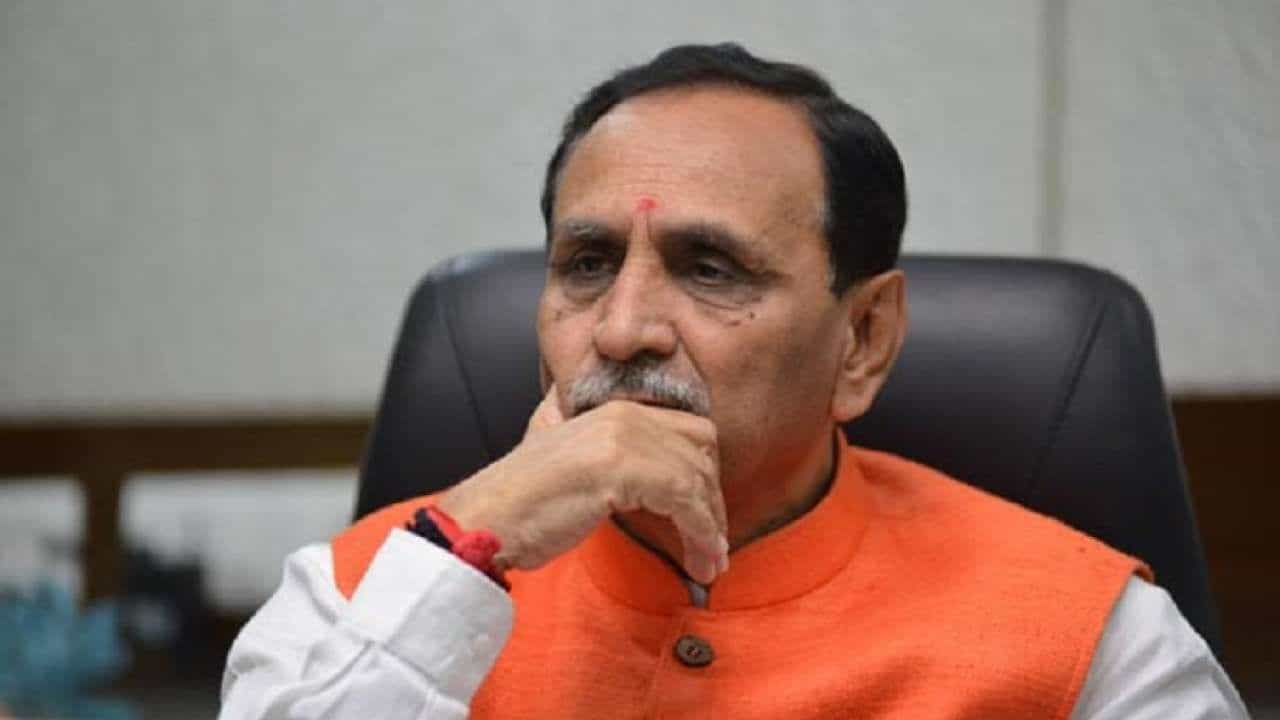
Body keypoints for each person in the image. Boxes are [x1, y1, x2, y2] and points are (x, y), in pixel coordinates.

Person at [219, 44, 1247, 719]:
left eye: (710, 269)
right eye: (586, 264)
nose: (622, 328)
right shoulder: (357, 596)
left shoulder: (1093, 641)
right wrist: (468, 549)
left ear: (862, 340)